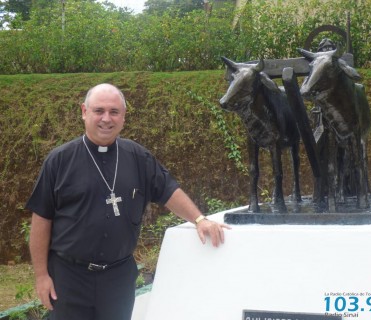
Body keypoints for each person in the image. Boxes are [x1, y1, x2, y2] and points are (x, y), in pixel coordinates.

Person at [26, 83, 230, 320]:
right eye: (98, 111)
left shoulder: (137, 157)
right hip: (69, 278)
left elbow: (168, 191)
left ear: (123, 117)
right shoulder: (59, 160)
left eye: (114, 112)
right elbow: (41, 220)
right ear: (84, 112)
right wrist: (41, 276)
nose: (106, 119)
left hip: (118, 279)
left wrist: (198, 219)